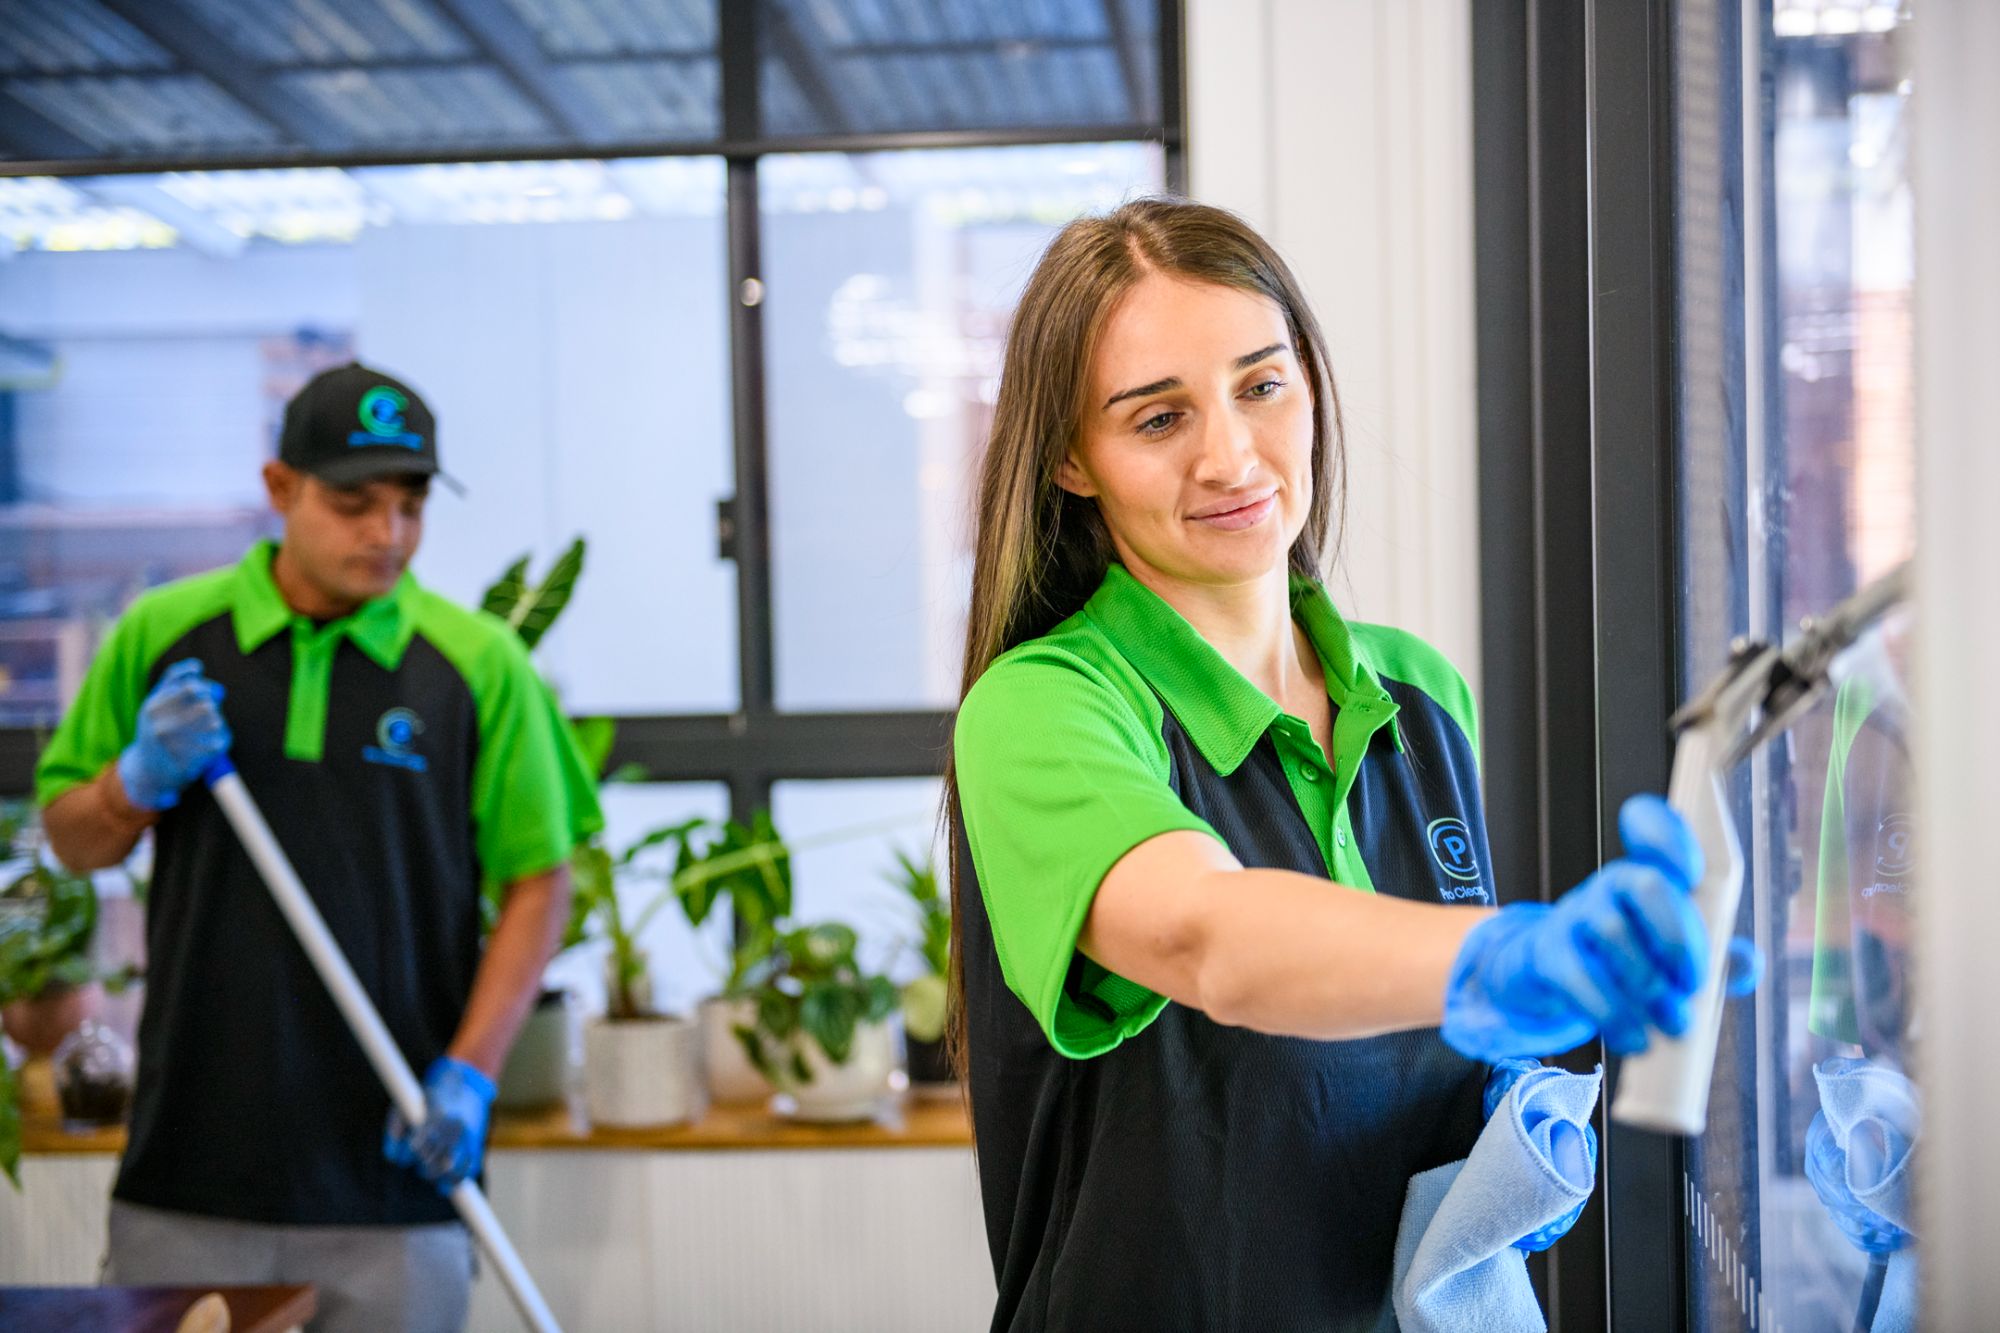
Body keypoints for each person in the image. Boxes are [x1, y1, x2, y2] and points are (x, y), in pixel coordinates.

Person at [947, 199, 1757, 1331]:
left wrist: (1519, 1129)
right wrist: (1506, 954)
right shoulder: (1045, 707)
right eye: (1156, 417)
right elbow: (1206, 935)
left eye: (1260, 384)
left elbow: (1393, 1070)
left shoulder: (1417, 695)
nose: (1229, 454)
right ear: (1072, 461)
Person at [36, 363, 601, 1333]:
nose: (387, 534)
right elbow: (71, 839)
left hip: (396, 1173)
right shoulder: (168, 635)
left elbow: (538, 880)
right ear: (279, 488)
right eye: (354, 503)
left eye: (409, 505)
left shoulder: (474, 665)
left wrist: (470, 1074)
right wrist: (133, 781)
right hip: (189, 1174)